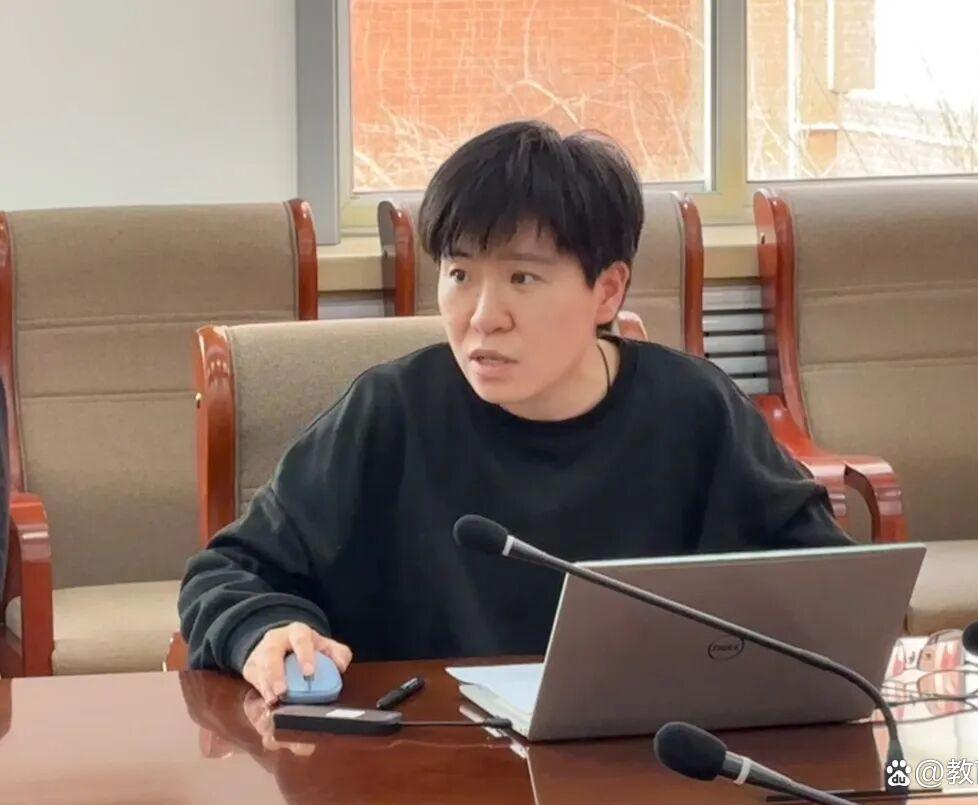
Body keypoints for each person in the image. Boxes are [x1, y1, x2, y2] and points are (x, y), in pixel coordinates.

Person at [179, 120, 851, 705]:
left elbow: (830, 586)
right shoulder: (391, 413)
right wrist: (265, 630)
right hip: (428, 762)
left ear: (607, 291)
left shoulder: (695, 410)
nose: (482, 317)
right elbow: (229, 571)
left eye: (522, 278)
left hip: (650, 760)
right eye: (460, 274)